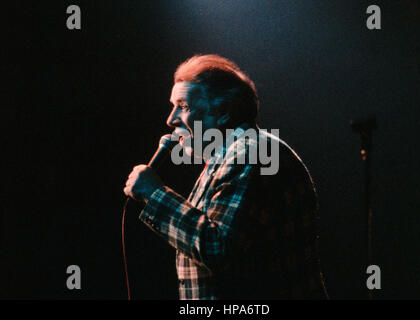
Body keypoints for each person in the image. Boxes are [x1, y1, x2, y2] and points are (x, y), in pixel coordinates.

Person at [123, 54, 328, 300]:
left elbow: (217, 247)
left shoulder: (250, 154)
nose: (171, 119)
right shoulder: (231, 156)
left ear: (223, 112)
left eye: (184, 106)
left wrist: (154, 195)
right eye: (172, 105)